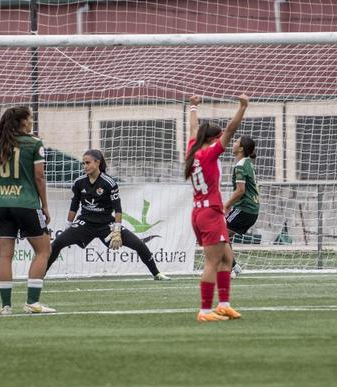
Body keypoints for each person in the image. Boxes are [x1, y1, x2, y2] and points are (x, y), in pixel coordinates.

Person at [47, 149, 171, 280]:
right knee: (57, 244)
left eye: (87, 163)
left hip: (106, 225)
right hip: (85, 223)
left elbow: (118, 209)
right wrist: (68, 226)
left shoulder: (109, 183)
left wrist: (117, 230)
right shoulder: (79, 182)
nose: (85, 166)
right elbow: (74, 205)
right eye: (83, 163)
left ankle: (157, 273)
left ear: (97, 163)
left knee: (139, 245)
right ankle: (40, 275)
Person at [0, 106, 55, 315]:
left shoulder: (0, 144)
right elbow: (39, 177)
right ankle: (32, 302)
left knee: (5, 256)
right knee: (43, 251)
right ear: (23, 122)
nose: (32, 121)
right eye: (31, 118)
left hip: (4, 205)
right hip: (27, 205)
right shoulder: (33, 143)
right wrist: (44, 205)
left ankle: (6, 306)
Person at [185, 94, 248, 322]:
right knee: (213, 261)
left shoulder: (192, 149)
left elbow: (193, 128)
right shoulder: (209, 154)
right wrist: (243, 107)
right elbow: (231, 129)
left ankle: (223, 305)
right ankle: (204, 310)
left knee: (226, 258)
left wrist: (193, 106)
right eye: (219, 138)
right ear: (213, 139)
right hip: (210, 212)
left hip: (201, 211)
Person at [224, 134, 259, 278]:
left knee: (221, 235)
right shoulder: (248, 163)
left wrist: (226, 205)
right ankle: (234, 266)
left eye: (236, 142)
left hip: (245, 209)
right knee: (225, 236)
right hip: (251, 209)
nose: (233, 143)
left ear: (241, 148)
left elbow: (240, 190)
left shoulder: (240, 166)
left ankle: (229, 269)